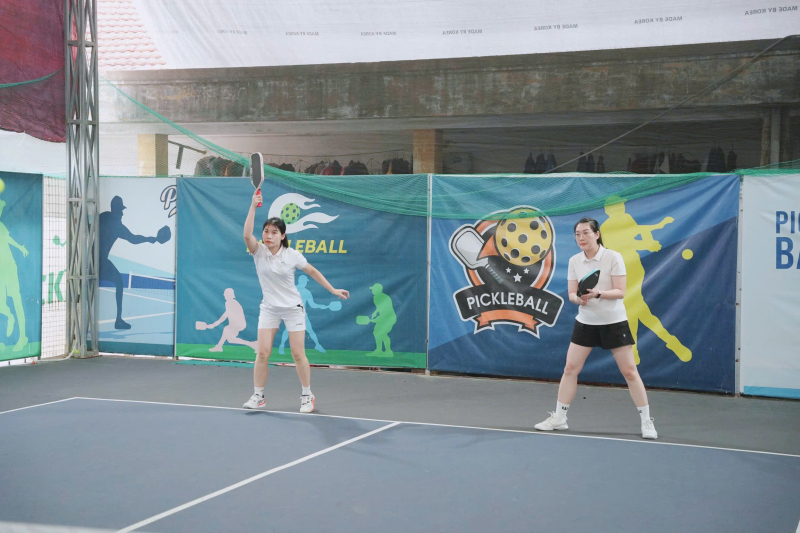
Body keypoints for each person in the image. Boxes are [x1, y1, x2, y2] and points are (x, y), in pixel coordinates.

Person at [534, 217, 657, 439]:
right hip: (586, 322)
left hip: (614, 322)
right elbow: (572, 293)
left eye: (586, 233)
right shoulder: (574, 261)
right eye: (577, 234)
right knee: (570, 369)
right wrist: (578, 299)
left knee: (630, 372)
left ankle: (647, 422)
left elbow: (620, 291)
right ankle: (560, 418)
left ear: (597, 234)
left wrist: (598, 293)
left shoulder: (613, 257)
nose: (581, 238)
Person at [242, 190, 349, 413]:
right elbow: (246, 235)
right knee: (262, 353)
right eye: (266, 231)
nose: (268, 235)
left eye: (274, 232)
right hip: (269, 308)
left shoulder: (292, 255)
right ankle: (258, 396)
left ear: (282, 235)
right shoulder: (258, 251)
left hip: (292, 309)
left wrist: (332, 289)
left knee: (298, 354)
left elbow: (312, 271)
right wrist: (253, 206)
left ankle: (307, 395)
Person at [99, 196, 169, 330]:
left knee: (116, 281)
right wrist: (152, 239)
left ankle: (117, 320)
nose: (122, 213)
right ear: (116, 210)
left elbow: (133, 239)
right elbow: (134, 239)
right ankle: (118, 320)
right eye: (121, 210)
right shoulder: (116, 226)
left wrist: (152, 239)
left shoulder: (104, 217)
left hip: (94, 260)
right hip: (100, 261)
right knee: (118, 281)